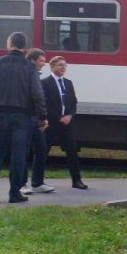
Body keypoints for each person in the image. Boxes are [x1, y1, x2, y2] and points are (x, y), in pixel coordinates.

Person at [0, 32, 48, 204]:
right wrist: (42, 116)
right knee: (19, 153)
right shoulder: (30, 67)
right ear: (24, 47)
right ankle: (14, 193)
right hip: (22, 116)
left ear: (9, 44)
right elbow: (37, 94)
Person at [40, 56, 88, 190]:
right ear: (52, 66)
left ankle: (77, 181)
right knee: (43, 151)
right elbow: (45, 103)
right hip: (51, 123)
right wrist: (58, 117)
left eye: (65, 65)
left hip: (67, 123)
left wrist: (69, 115)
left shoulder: (68, 83)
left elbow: (73, 102)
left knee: (72, 151)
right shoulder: (45, 83)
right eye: (60, 65)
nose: (63, 67)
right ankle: (39, 180)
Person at [20, 48, 56, 195]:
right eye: (41, 60)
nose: (44, 63)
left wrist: (41, 116)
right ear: (33, 60)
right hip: (26, 117)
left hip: (35, 117)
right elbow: (36, 97)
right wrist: (43, 116)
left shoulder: (36, 74)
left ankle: (37, 182)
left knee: (41, 149)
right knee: (23, 150)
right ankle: (21, 184)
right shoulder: (27, 74)